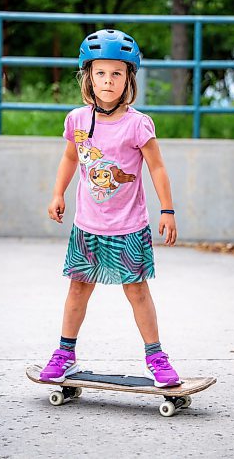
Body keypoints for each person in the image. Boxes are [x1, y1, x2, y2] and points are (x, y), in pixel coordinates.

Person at [40, 29, 180, 388]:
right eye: (100, 72)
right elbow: (71, 157)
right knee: (77, 290)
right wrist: (58, 193)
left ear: (128, 79)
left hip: (129, 227)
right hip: (87, 226)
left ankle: (156, 357)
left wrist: (167, 210)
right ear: (88, 76)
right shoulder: (77, 120)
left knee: (137, 291)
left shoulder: (138, 123)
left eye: (116, 73)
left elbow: (157, 167)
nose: (107, 80)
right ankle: (64, 354)